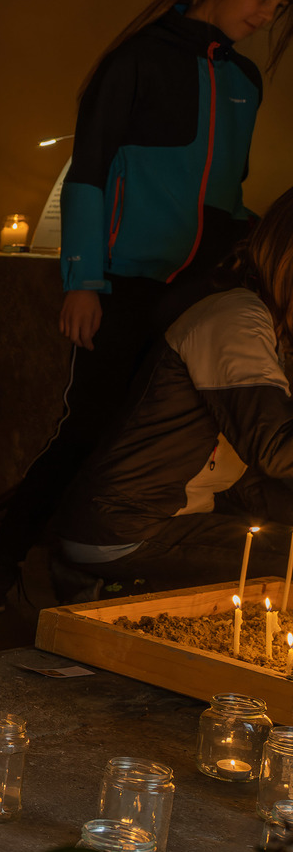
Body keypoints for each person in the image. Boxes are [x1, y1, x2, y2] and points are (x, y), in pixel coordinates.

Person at [0, 0, 293, 613]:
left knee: (162, 431)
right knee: (88, 427)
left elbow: (225, 197)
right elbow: (89, 174)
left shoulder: (242, 78)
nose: (267, 16)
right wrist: (83, 280)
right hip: (124, 285)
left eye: (281, 6)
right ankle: (2, 564)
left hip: (200, 288)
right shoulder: (137, 60)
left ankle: (128, 576)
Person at [52, 187, 293, 600]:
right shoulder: (236, 317)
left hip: (173, 516)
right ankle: (102, 592)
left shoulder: (271, 329)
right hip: (128, 529)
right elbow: (273, 447)